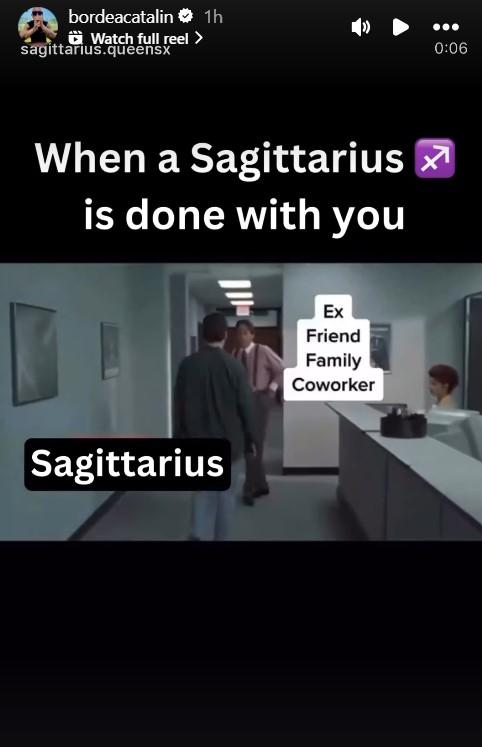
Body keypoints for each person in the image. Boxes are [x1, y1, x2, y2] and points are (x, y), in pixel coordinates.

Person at [174, 312, 257, 541]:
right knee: (225, 498)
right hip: (231, 444)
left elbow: (179, 406)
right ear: (225, 335)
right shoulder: (235, 366)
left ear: (202, 335)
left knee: (201, 494)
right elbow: (246, 407)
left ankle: (198, 535)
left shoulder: (187, 365)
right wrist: (251, 439)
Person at [233, 319, 285, 506]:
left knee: (255, 442)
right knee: (249, 442)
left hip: (260, 399)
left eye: (245, 333)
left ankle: (249, 488)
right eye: (238, 333)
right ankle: (261, 485)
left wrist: (272, 388)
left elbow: (282, 369)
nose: (241, 337)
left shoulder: (263, 350)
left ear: (252, 334)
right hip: (243, 401)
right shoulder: (235, 354)